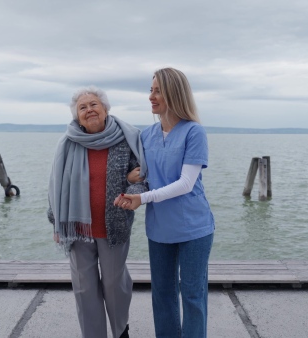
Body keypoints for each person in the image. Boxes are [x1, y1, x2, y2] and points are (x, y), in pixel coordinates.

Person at [114, 67, 215, 338]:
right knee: (162, 294)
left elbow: (185, 184)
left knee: (193, 295)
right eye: (151, 90)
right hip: (159, 228)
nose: (151, 96)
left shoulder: (194, 132)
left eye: (158, 90)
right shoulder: (146, 136)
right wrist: (130, 179)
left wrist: (142, 198)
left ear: (174, 93)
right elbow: (143, 176)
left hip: (194, 227)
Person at [47, 86, 146, 338]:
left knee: (114, 285)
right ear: (77, 115)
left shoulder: (125, 139)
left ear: (105, 109)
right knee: (84, 288)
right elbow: (56, 186)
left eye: (93, 104)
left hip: (114, 225)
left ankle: (120, 331)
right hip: (77, 229)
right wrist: (57, 224)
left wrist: (132, 189)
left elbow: (140, 175)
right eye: (82, 107)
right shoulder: (68, 143)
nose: (89, 110)